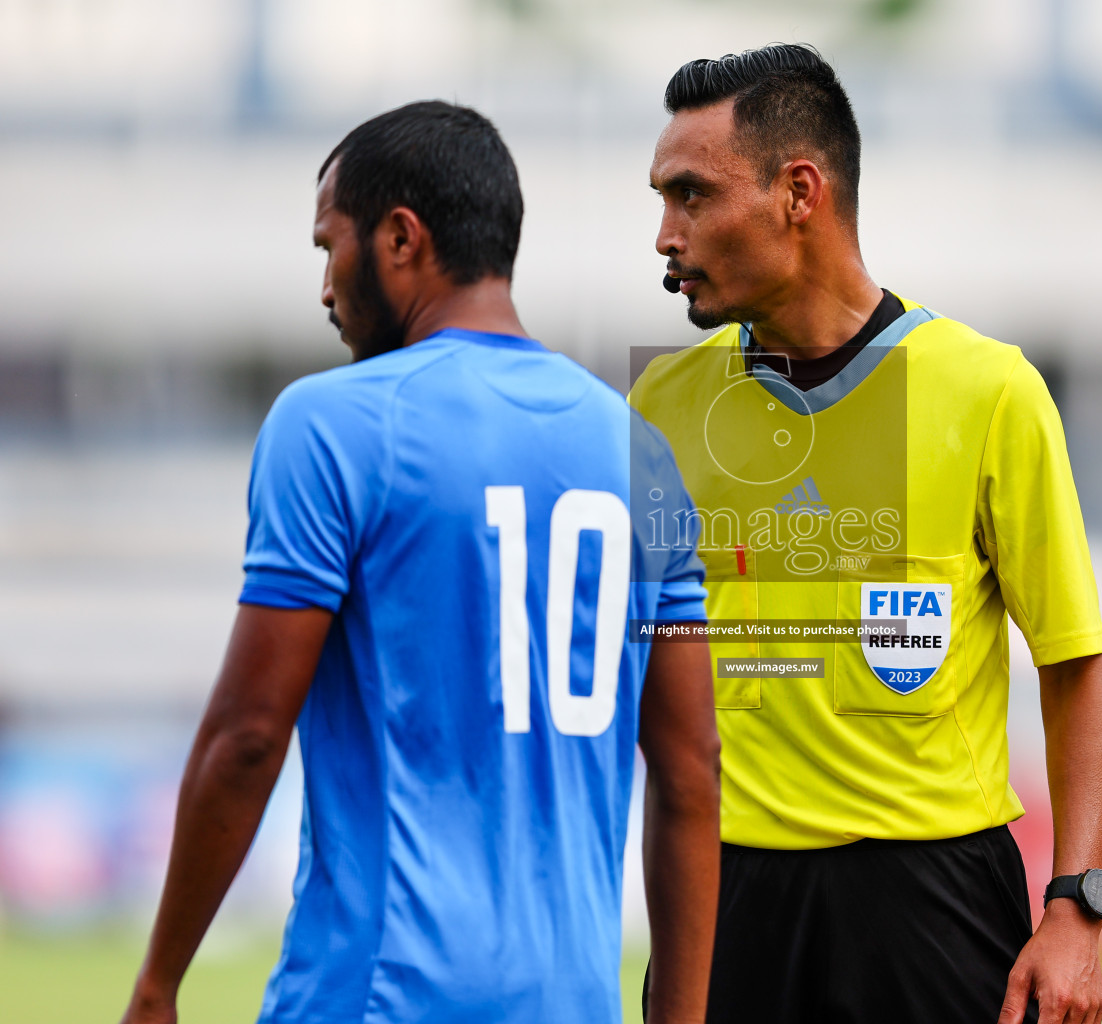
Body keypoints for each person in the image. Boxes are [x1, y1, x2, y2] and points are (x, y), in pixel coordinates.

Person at [119, 101, 721, 1024]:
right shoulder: (642, 453)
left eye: (331, 246)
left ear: (400, 239)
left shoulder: (331, 425)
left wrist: (159, 984)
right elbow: (690, 770)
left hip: (378, 996)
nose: (325, 286)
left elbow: (246, 739)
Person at [630, 45, 1102, 1024]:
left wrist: (1075, 905)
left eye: (691, 195)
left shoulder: (989, 391)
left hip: (931, 898)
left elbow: (1074, 663)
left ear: (798, 193)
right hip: (723, 894)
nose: (664, 235)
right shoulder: (658, 405)